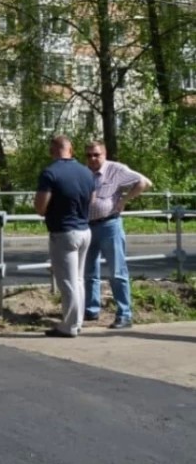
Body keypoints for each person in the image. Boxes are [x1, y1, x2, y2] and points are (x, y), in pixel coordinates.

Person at [83, 141, 152, 329]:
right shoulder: (84, 172)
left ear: (104, 154)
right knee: (89, 271)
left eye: (96, 154)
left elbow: (144, 182)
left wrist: (124, 199)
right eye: (88, 155)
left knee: (117, 271)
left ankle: (124, 314)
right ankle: (91, 309)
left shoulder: (116, 169)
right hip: (87, 226)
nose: (92, 159)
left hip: (109, 225)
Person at [34, 135, 96, 338]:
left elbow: (41, 208)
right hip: (85, 230)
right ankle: (76, 323)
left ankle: (69, 326)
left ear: (53, 150)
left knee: (67, 282)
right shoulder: (87, 172)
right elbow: (92, 200)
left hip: (63, 232)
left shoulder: (50, 173)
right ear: (72, 149)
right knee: (78, 280)